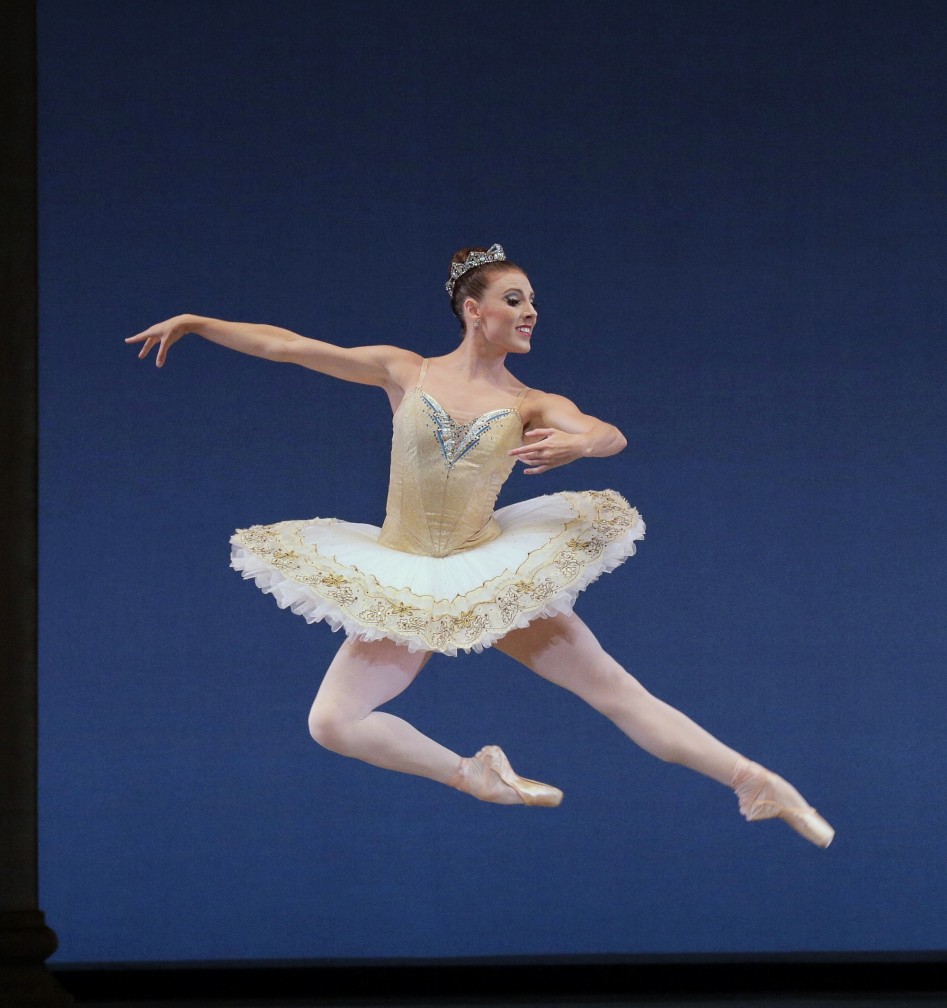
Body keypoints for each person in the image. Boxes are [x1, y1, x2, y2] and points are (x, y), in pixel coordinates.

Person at [126, 244, 834, 846]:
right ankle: (472, 773)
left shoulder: (529, 402)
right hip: (402, 572)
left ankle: (754, 781)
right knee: (333, 723)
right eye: (514, 299)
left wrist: (583, 442)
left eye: (533, 303)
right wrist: (198, 321)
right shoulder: (404, 370)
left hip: (487, 570)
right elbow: (287, 347)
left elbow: (603, 431)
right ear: (474, 309)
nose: (530, 313)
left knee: (617, 692)